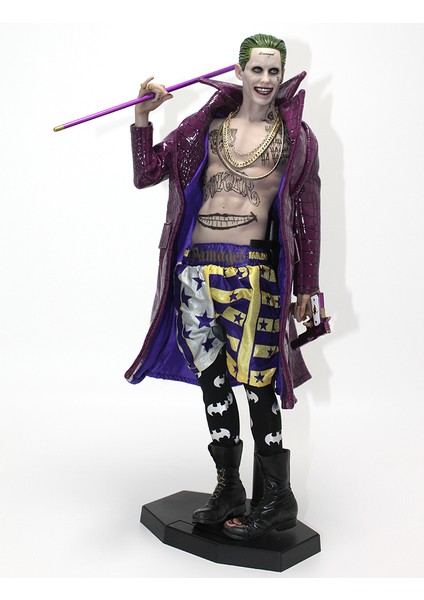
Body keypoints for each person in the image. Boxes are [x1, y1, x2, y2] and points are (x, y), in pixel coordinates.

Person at [126, 33, 321, 540]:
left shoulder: (297, 138)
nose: (265, 79)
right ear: (239, 72)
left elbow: (307, 214)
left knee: (259, 383)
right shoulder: (206, 128)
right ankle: (229, 487)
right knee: (212, 379)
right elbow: (147, 174)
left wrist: (307, 285)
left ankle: (277, 498)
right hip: (196, 271)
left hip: (253, 273)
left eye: (274, 71)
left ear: (282, 76)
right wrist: (143, 118)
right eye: (257, 69)